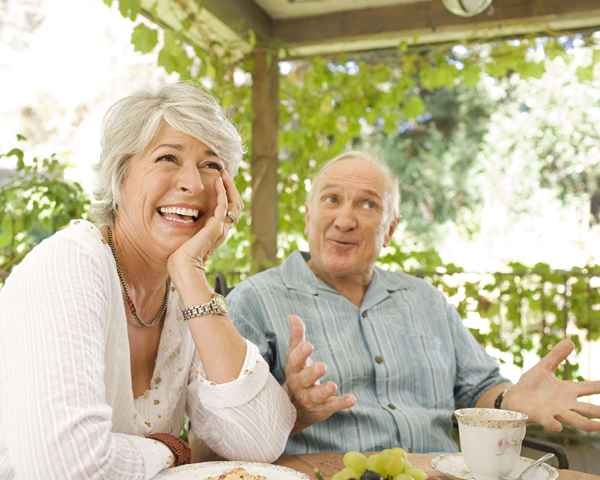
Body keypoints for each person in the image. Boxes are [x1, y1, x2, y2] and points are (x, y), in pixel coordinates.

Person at [0, 83, 296, 479]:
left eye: (212, 165)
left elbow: (259, 441)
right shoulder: (69, 264)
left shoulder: (180, 292)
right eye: (168, 158)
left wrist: (191, 276)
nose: (193, 183)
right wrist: (168, 450)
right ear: (120, 177)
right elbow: (65, 468)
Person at [228, 150, 600, 455]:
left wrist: (511, 398)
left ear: (389, 229)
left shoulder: (425, 300)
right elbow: (231, 430)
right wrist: (292, 407)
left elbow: (478, 388)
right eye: (331, 200)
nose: (345, 219)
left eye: (367, 205)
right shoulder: (255, 300)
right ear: (308, 216)